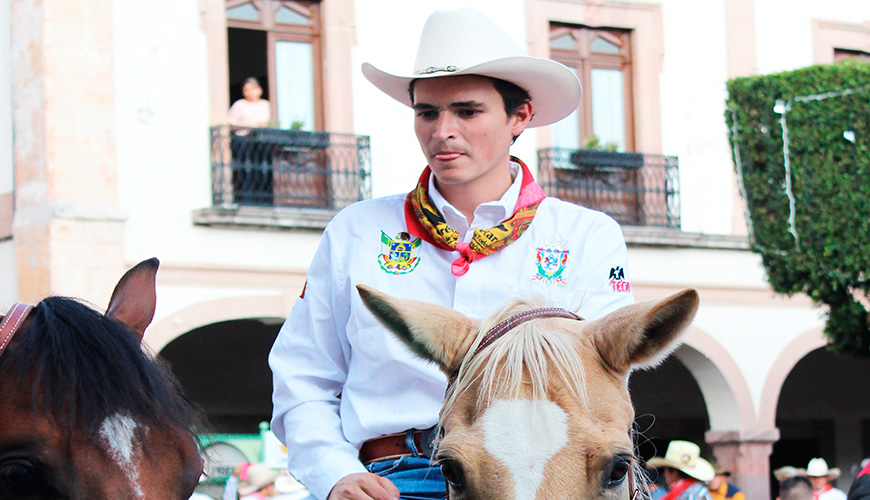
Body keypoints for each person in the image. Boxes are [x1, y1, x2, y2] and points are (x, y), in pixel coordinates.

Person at [269, 7, 633, 500]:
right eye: (427, 113)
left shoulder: (587, 235)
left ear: (520, 115)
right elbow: (303, 376)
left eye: (466, 111)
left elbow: (606, 382)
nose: (443, 130)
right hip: (386, 479)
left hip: (543, 478)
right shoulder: (356, 230)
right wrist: (335, 475)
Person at [227, 77, 273, 205]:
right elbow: (231, 124)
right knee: (246, 168)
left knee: (262, 168)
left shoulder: (266, 105)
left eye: (252, 89)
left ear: (259, 90)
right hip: (244, 140)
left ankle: (264, 198)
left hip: (261, 140)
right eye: (246, 90)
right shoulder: (239, 105)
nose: (249, 92)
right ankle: (247, 198)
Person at [648, 440, 715, 500]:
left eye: (665, 470)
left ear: (674, 472)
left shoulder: (690, 493)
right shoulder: (694, 489)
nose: (665, 475)